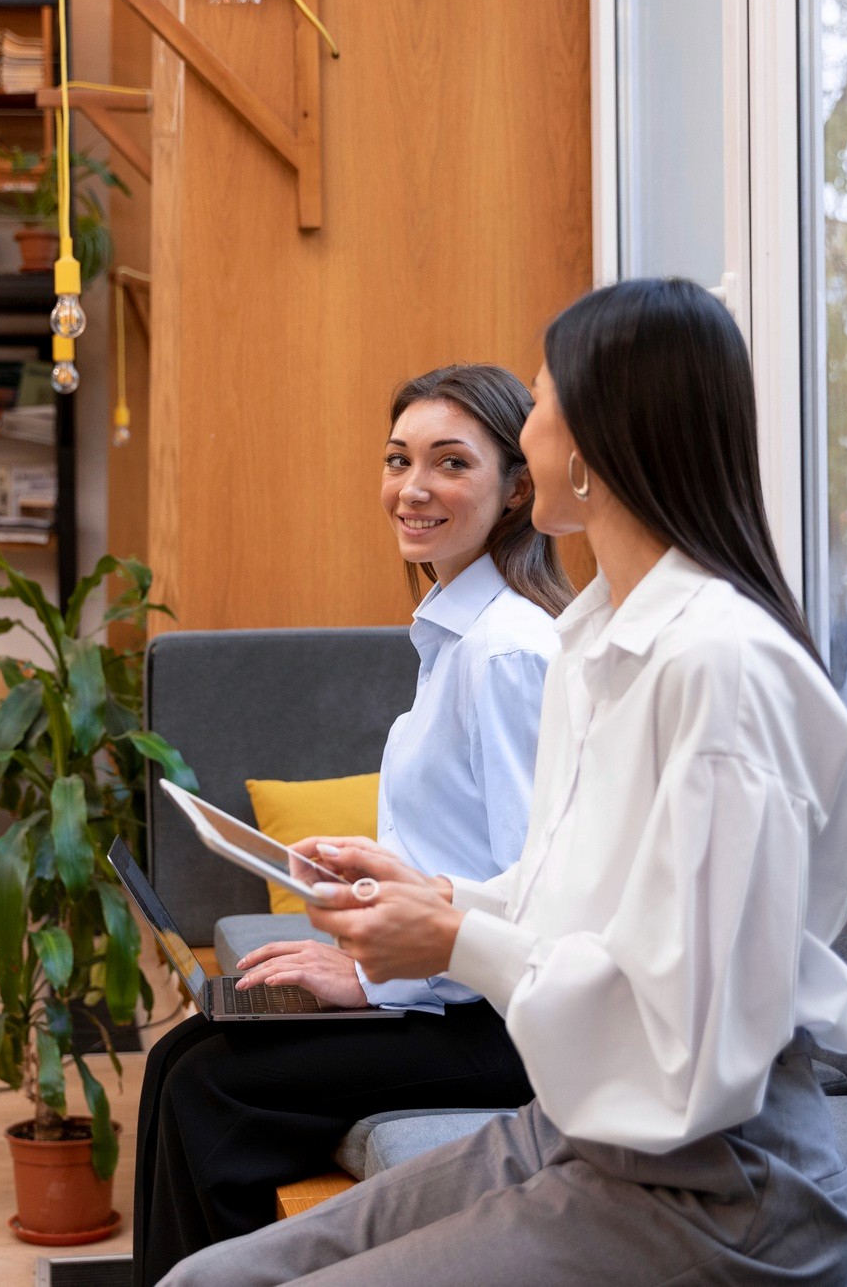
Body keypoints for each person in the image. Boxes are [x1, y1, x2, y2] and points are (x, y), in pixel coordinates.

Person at [159, 278, 847, 1287]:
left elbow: (694, 1055)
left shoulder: (716, 671)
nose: (522, 429)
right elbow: (569, 899)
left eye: (534, 404)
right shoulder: (592, 642)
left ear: (589, 442)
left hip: (715, 1188)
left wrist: (449, 936)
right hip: (577, 1128)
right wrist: (435, 896)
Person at [133, 364, 573, 1285]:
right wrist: (369, 897)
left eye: (451, 463)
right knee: (183, 1055)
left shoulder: (508, 651)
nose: (413, 488)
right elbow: (467, 858)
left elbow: (544, 891)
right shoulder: (453, 630)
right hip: (452, 986)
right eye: (398, 459)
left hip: (502, 1021)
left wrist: (375, 978)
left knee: (212, 1089)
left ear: (514, 488)